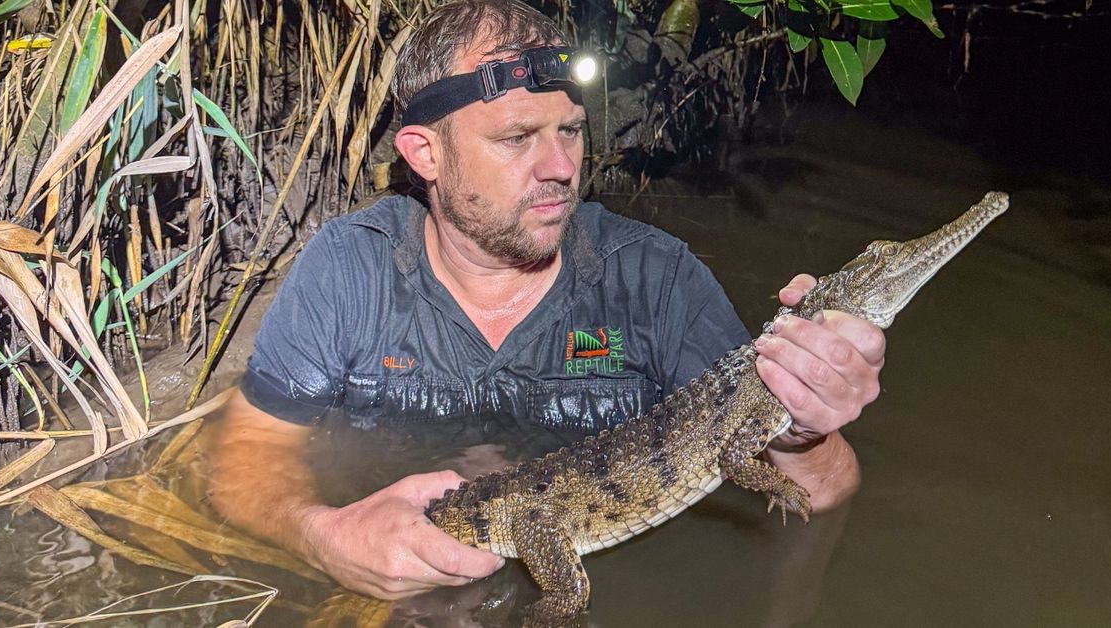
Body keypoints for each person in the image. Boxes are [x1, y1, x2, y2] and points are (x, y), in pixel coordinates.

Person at [205, 0, 884, 603]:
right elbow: (242, 456)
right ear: (425, 154)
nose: (561, 166)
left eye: (570, 131)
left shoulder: (656, 279)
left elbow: (826, 493)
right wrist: (321, 535)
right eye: (516, 138)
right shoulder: (349, 268)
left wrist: (804, 424)